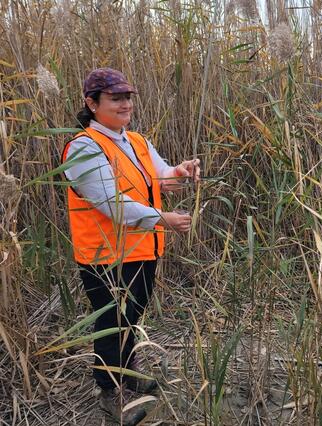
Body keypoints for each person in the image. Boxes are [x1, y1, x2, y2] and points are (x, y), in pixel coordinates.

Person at [61, 67, 200, 425]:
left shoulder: (135, 140)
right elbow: (111, 203)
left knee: (131, 317)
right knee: (111, 321)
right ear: (92, 104)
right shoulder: (84, 147)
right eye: (115, 98)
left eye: (127, 98)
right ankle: (110, 392)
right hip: (104, 256)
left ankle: (128, 370)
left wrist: (180, 172)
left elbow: (162, 175)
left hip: (142, 249)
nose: (125, 104)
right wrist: (163, 219)